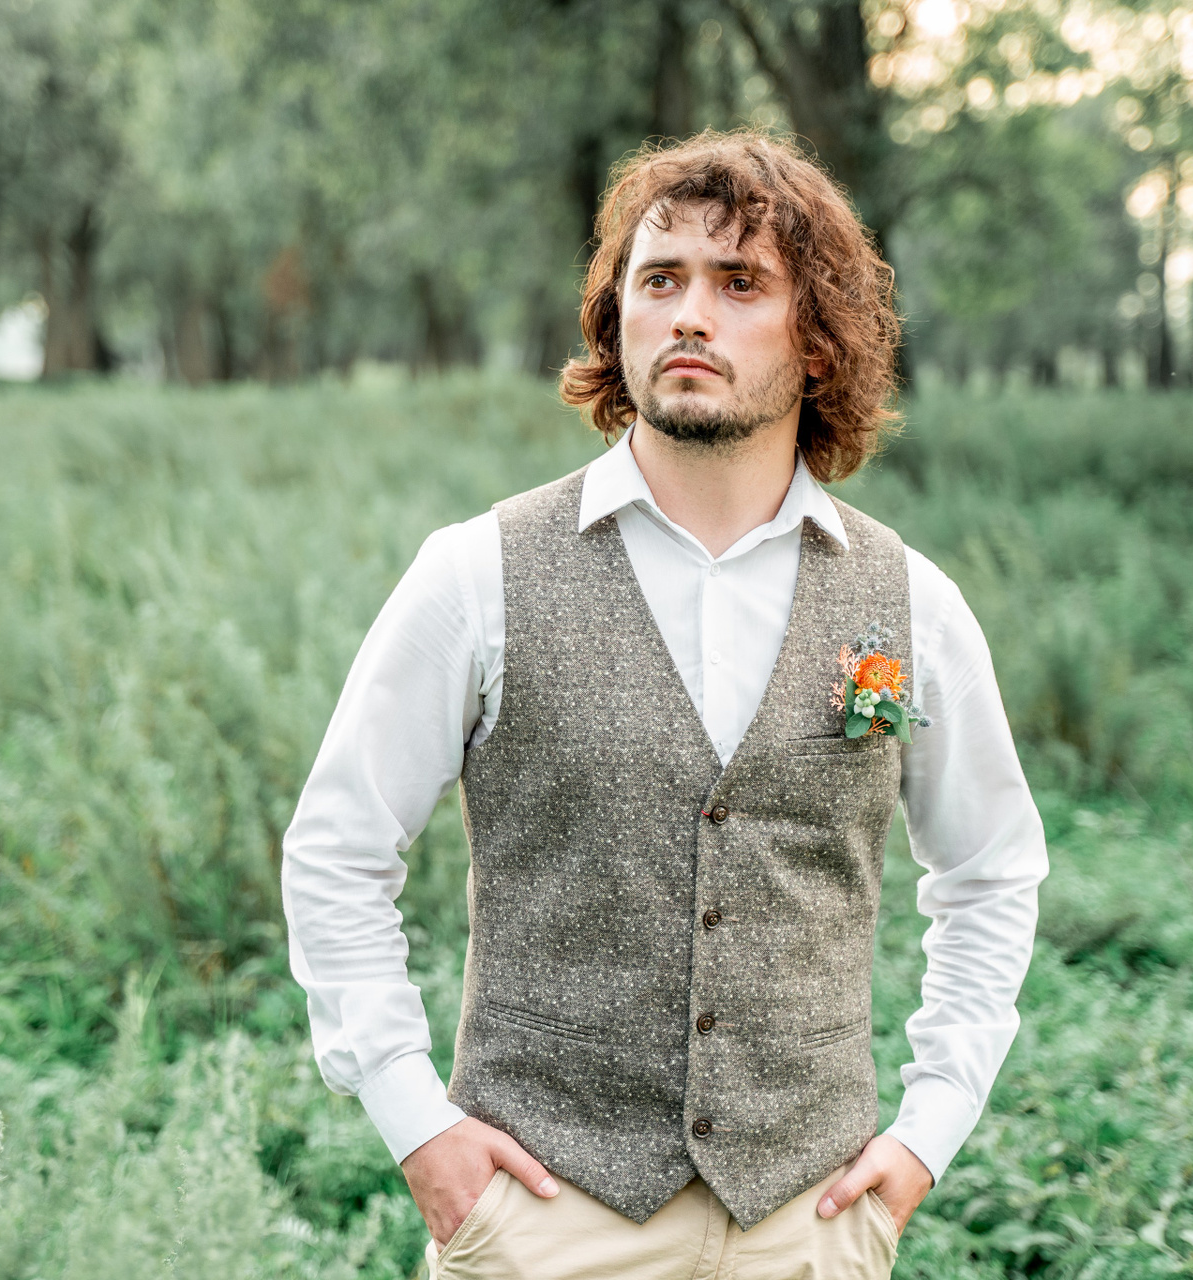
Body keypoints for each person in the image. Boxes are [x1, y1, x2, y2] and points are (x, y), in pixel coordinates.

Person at [281, 129, 1048, 1280]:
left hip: (811, 1220)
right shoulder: (479, 573)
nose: (690, 314)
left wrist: (929, 1128)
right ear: (617, 319)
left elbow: (991, 871)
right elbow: (337, 851)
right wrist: (416, 1123)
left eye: (740, 283)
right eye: (660, 280)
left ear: (819, 338)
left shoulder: (911, 602)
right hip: (545, 1218)